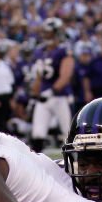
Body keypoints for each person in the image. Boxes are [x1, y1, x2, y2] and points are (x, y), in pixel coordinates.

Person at [29, 17, 74, 153]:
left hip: (59, 96)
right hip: (43, 97)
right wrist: (35, 93)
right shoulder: (40, 51)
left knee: (67, 132)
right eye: (46, 32)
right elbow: (38, 77)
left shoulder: (63, 50)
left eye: (50, 32)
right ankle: (35, 166)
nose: (47, 35)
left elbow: (66, 75)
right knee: (37, 133)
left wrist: (52, 91)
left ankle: (75, 163)